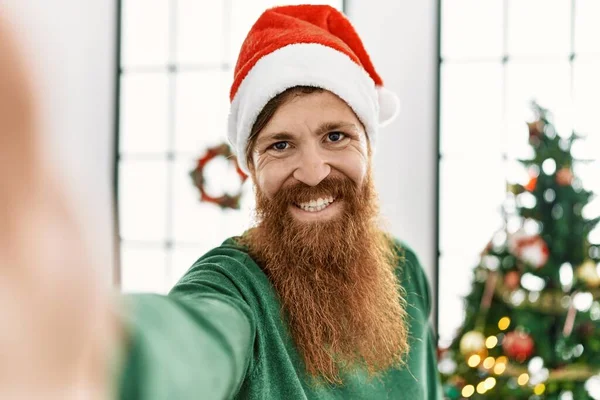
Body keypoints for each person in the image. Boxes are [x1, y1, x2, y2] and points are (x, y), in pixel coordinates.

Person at [0, 5, 442, 399]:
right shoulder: (235, 285)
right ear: (250, 165)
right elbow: (195, 337)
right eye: (281, 145)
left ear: (369, 144)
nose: (313, 171)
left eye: (335, 136)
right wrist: (83, 347)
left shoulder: (405, 269)